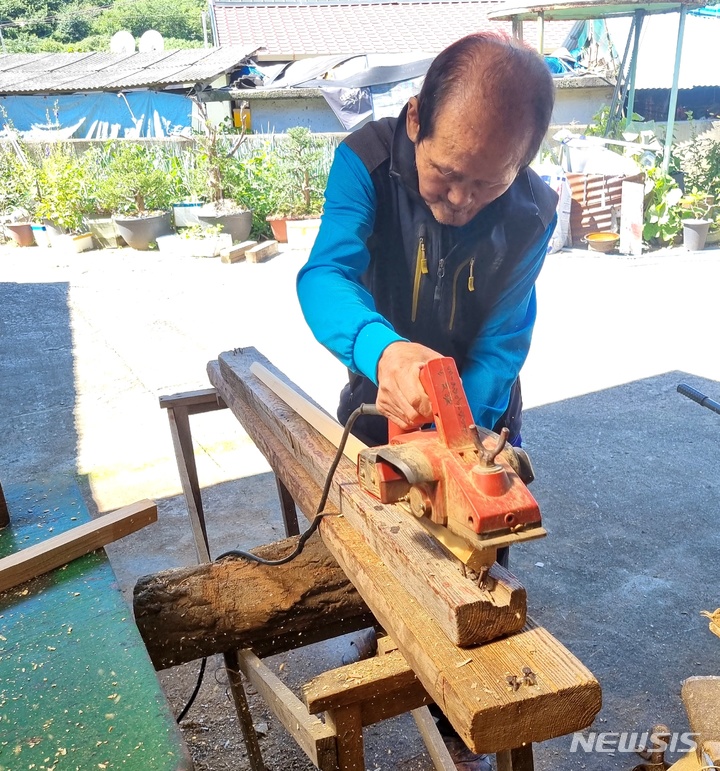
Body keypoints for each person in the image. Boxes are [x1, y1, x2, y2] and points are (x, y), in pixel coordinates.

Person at [297, 32, 557, 771]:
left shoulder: (534, 212)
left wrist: (460, 430)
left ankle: (456, 710)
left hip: (479, 407)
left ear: (523, 163)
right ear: (415, 119)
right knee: (380, 544)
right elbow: (324, 277)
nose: (461, 200)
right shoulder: (366, 163)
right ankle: (384, 629)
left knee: (475, 543)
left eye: (488, 184)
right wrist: (382, 349)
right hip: (377, 385)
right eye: (446, 174)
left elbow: (506, 337)